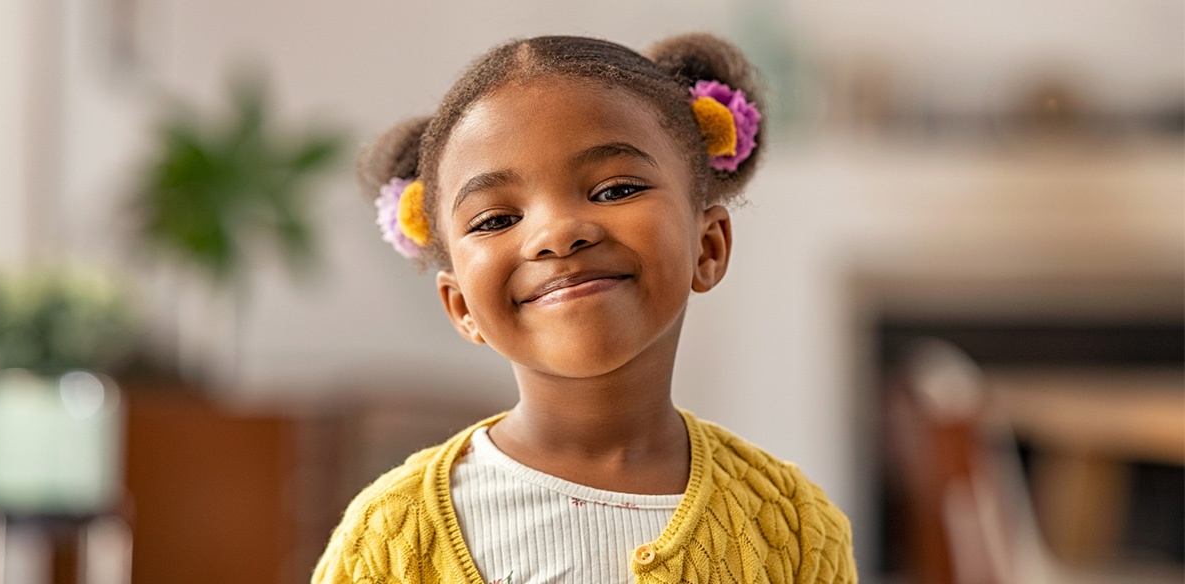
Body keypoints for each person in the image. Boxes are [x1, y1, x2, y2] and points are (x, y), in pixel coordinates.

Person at [312, 33, 856, 584]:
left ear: (708, 247)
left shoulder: (795, 526)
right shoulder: (385, 539)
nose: (557, 234)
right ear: (460, 306)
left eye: (615, 189)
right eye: (497, 219)